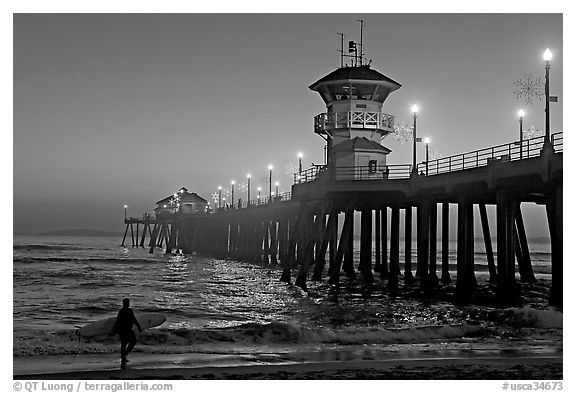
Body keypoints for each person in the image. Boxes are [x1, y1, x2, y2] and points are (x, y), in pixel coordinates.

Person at [113, 298, 142, 363]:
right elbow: (118, 321)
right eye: (127, 303)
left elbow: (133, 319)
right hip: (124, 330)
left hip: (125, 330)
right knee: (128, 343)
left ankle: (124, 355)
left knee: (127, 343)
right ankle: (124, 356)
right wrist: (139, 327)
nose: (127, 304)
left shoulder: (126, 310)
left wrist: (139, 327)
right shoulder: (124, 311)